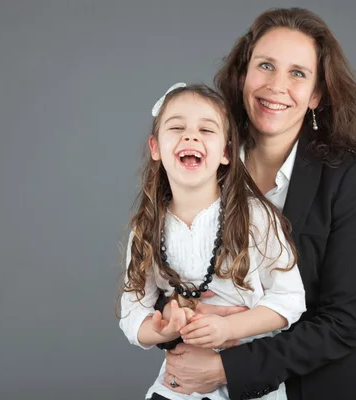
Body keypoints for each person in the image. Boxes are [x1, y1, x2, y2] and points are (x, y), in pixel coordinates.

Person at [155, 7, 356, 400]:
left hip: (321, 389)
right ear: (243, 74)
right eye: (265, 66)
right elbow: (164, 263)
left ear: (316, 94)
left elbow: (343, 322)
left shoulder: (350, 177)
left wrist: (226, 369)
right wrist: (178, 314)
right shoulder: (202, 156)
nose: (276, 86)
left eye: (297, 73)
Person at [118, 83, 306, 400]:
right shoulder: (147, 228)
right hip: (182, 375)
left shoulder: (255, 217)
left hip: (248, 373)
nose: (190, 136)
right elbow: (132, 312)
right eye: (177, 127)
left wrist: (229, 329)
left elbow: (290, 299)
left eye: (206, 130)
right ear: (155, 148)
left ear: (226, 153)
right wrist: (164, 328)